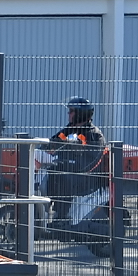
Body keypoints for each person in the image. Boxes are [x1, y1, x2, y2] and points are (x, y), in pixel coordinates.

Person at [45, 97, 107, 234]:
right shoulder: (70, 130)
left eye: (71, 111)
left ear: (80, 113)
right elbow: (55, 140)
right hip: (70, 171)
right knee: (52, 172)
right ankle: (48, 211)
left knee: (62, 177)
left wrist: (70, 163)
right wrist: (43, 146)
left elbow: (91, 160)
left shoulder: (93, 134)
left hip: (87, 177)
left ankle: (62, 216)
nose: (69, 114)